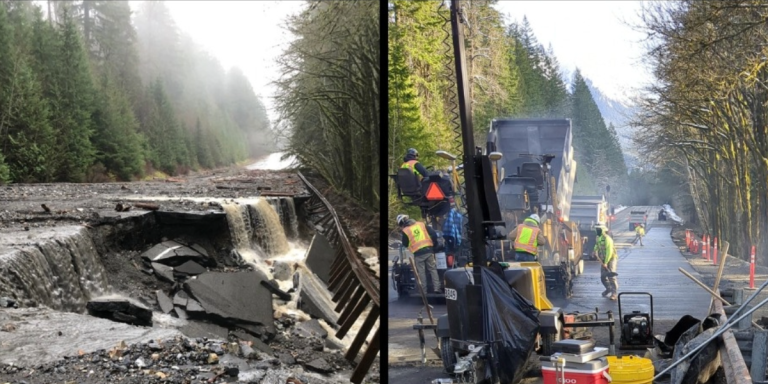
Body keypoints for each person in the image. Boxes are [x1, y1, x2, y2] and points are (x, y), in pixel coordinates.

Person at [397, 214, 442, 293]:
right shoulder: (421, 224)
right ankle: (437, 288)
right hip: (429, 251)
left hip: (418, 254)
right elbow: (433, 234)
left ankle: (424, 291)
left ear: (402, 223)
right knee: (432, 269)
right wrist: (434, 244)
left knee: (421, 272)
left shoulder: (406, 230)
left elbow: (405, 244)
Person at [594, 225, 618, 300]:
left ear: (603, 230)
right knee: (603, 277)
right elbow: (597, 245)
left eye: (599, 229)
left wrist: (606, 262)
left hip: (611, 258)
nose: (597, 231)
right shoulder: (598, 238)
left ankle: (614, 293)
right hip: (603, 259)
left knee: (611, 277)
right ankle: (609, 288)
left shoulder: (607, 239)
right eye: (596, 229)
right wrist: (594, 250)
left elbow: (609, 251)